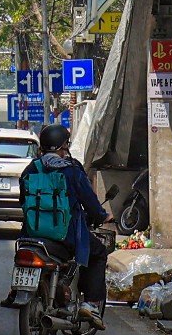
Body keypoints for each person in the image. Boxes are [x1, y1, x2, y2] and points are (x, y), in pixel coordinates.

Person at [18, 123, 110, 323]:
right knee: (98, 252)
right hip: (65, 236)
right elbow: (90, 202)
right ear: (62, 146)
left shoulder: (30, 169)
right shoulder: (72, 169)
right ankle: (92, 303)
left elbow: (23, 201)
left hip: (30, 235)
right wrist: (103, 216)